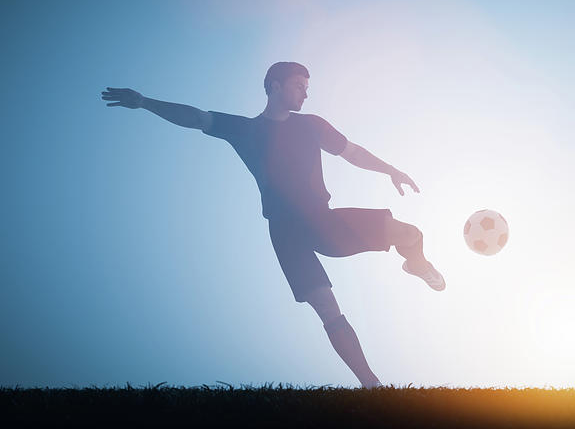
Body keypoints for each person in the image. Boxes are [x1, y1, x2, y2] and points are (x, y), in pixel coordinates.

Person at [101, 61, 445, 388]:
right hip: (285, 232)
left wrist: (391, 170)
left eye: (307, 87)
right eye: (300, 86)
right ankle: (371, 383)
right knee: (327, 308)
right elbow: (197, 118)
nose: (305, 94)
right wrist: (145, 102)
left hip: (323, 220)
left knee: (411, 234)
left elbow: (352, 153)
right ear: (275, 86)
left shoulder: (312, 124)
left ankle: (415, 263)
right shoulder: (246, 130)